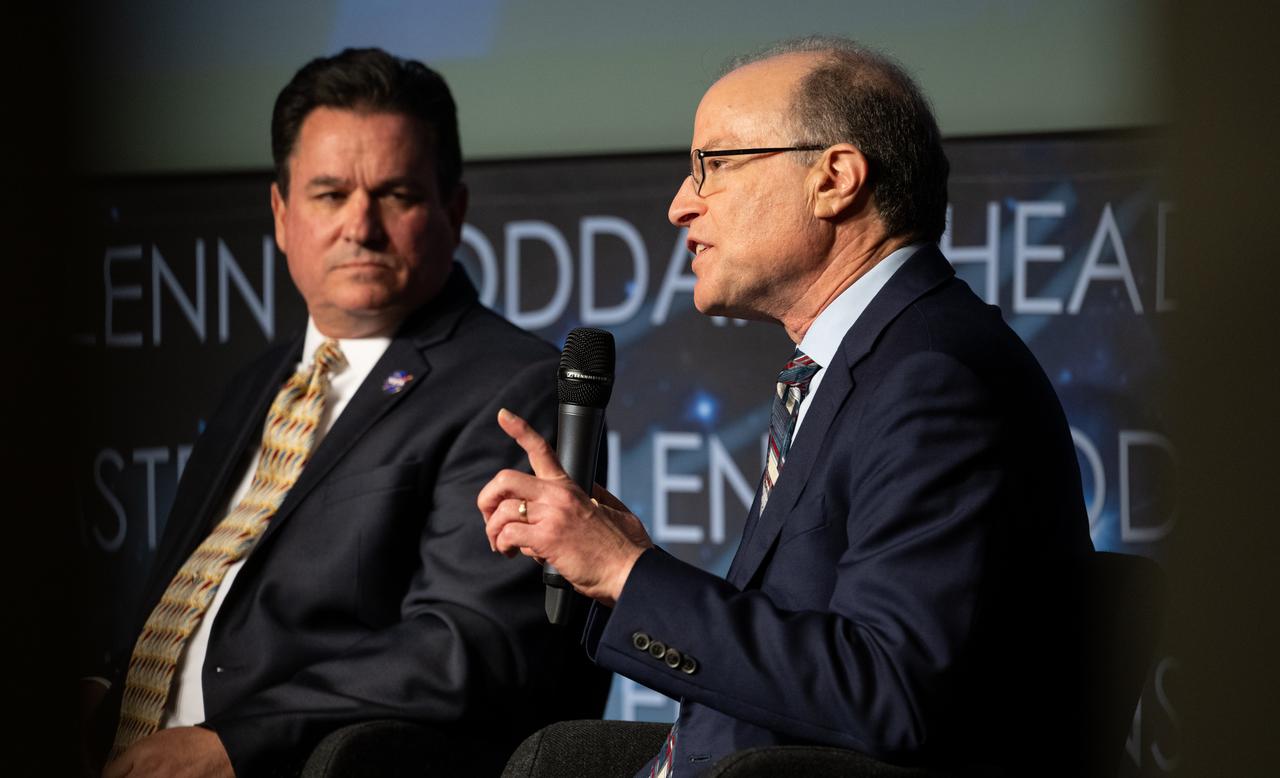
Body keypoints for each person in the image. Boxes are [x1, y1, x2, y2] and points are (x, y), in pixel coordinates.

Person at [479, 37, 1094, 776]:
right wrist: (619, 563)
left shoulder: (934, 379)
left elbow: (887, 693)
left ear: (834, 180)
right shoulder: (869, 360)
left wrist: (628, 572)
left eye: (715, 164)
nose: (680, 204)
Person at [82, 48, 607, 778]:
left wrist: (233, 743)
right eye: (329, 194)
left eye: (395, 194)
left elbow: (466, 642)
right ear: (281, 215)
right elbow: (197, 601)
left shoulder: (514, 386)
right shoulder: (259, 383)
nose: (360, 226)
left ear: (453, 212)